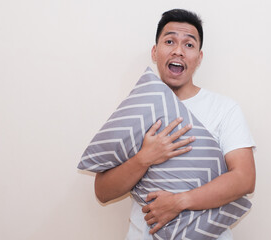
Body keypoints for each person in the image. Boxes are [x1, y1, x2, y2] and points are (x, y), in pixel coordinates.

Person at [94, 9, 256, 240]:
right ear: (155, 51)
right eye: (169, 41)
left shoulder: (224, 109)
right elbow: (103, 191)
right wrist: (145, 157)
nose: (178, 51)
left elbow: (244, 178)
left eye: (188, 45)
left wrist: (179, 202)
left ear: (199, 58)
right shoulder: (134, 110)